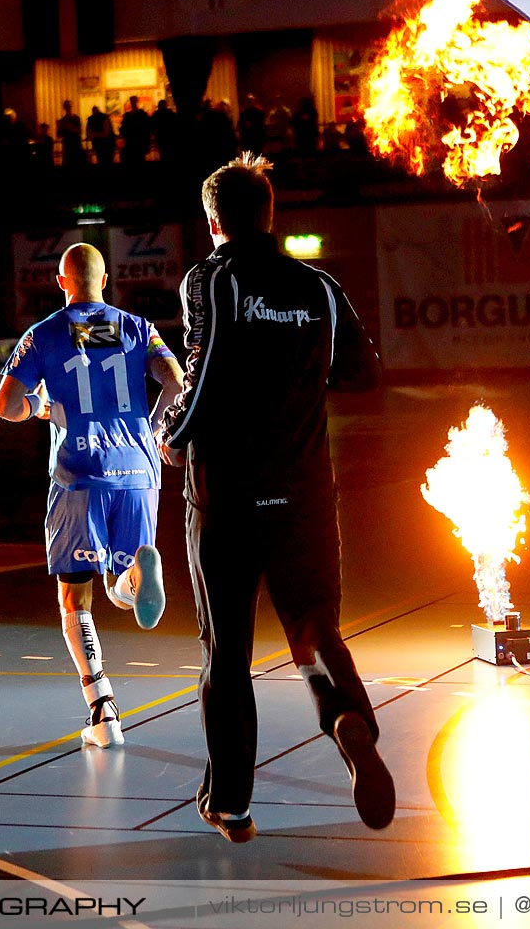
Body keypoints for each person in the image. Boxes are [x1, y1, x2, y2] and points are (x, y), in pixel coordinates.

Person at [156, 154, 389, 843]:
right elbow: (361, 372)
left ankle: (230, 801)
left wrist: (174, 429)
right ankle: (347, 718)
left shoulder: (210, 279)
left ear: (213, 221)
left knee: (226, 654)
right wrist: (294, 372)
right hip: (305, 493)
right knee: (313, 625)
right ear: (271, 213)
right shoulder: (318, 287)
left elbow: (204, 368)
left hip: (226, 495)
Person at [0, 244, 185, 749]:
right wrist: (157, 428)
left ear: (61, 282)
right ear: (108, 279)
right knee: (120, 583)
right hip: (139, 469)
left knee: (75, 597)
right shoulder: (139, 327)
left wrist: (39, 407)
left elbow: (5, 404)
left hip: (79, 472)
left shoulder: (43, 335)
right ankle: (136, 574)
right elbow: (175, 379)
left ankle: (102, 711)